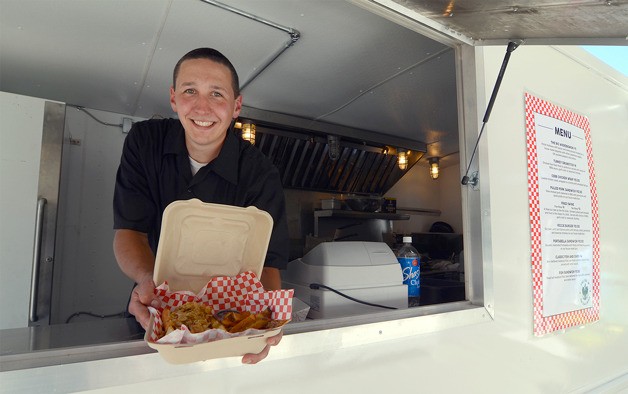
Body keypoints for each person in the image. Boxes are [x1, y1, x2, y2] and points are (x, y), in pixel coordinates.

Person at [112, 47, 289, 364]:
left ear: (236, 106)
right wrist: (146, 281)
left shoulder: (260, 173)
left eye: (217, 94)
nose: (202, 107)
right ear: (173, 98)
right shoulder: (144, 142)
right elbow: (129, 232)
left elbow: (268, 264)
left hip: (230, 324)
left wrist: (262, 323)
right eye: (190, 91)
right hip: (151, 308)